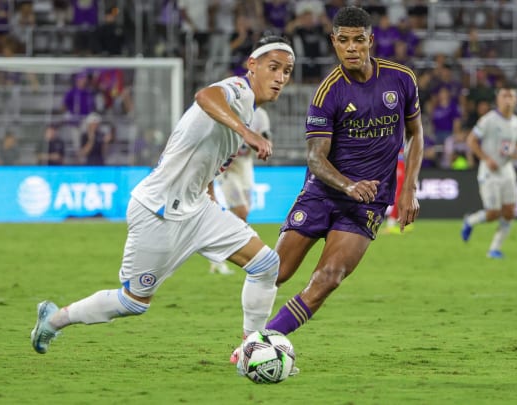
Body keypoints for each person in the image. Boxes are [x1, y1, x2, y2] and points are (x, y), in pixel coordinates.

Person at [30, 36, 296, 356]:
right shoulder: (237, 91)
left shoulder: (250, 110)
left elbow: (205, 161)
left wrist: (208, 192)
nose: (280, 77)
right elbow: (204, 96)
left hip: (197, 208)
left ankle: (250, 348)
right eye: (274, 67)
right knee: (133, 303)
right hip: (158, 211)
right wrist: (246, 133)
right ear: (252, 66)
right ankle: (54, 320)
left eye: (287, 71)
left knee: (266, 265)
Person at [238, 6, 423, 353]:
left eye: (358, 40)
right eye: (343, 41)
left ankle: (257, 345)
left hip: (368, 203)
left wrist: (408, 188)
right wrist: (348, 185)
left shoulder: (401, 79)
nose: (351, 48)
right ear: (333, 43)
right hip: (322, 194)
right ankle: (249, 337)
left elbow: (415, 133)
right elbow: (315, 158)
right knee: (273, 272)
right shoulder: (328, 93)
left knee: (328, 278)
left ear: (371, 40)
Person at [461, 87, 517, 259]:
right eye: (504, 95)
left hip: (507, 169)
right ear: (498, 100)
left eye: (511, 96)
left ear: (515, 101)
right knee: (493, 213)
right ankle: (470, 221)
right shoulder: (489, 120)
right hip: (489, 171)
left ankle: (494, 249)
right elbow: (471, 140)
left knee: (509, 211)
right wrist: (486, 159)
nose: (508, 98)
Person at [209, 107, 271, 275]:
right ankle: (226, 255)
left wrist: (263, 144)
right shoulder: (231, 110)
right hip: (228, 167)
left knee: (242, 213)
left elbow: (266, 137)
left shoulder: (260, 114)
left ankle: (216, 255)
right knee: (241, 212)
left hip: (246, 166)